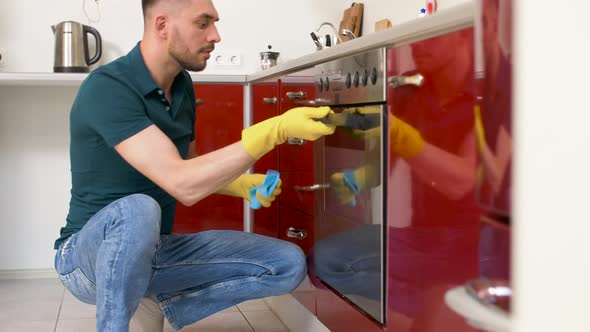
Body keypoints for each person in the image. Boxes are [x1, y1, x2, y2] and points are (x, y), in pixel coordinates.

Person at [52, 0, 335, 331]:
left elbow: (185, 166)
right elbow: (181, 182)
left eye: (215, 23)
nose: (216, 35)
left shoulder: (182, 87)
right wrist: (275, 130)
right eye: (203, 24)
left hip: (155, 249)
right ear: (162, 26)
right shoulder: (108, 88)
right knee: (137, 210)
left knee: (286, 264)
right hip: (83, 259)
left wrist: (239, 184)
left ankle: (160, 300)